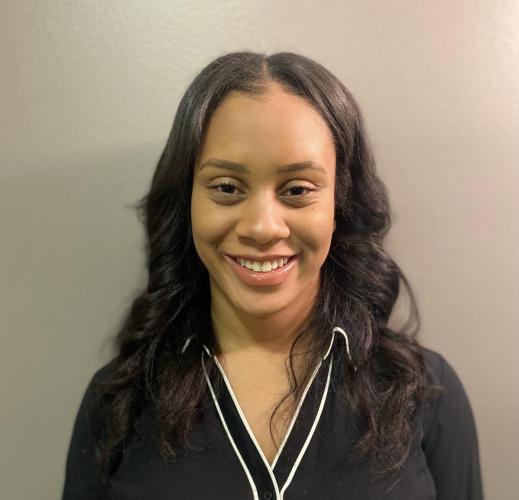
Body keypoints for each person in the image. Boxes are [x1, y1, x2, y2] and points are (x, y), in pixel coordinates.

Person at [62, 51, 484, 500]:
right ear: (186, 202)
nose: (262, 227)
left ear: (340, 203)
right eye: (227, 187)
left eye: (298, 189)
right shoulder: (119, 402)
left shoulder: (425, 395)